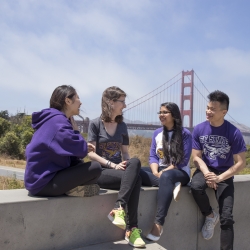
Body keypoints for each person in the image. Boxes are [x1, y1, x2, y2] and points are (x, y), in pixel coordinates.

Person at [87, 86, 145, 248]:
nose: (125, 106)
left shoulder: (122, 126)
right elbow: (91, 154)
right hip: (102, 172)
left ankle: (119, 208)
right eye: (122, 101)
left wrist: (126, 164)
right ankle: (132, 229)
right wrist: (113, 165)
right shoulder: (94, 124)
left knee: (135, 162)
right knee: (137, 180)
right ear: (111, 102)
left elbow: (125, 153)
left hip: (120, 171)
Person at [190, 90, 246, 250]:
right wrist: (207, 173)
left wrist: (219, 179)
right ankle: (209, 215)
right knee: (195, 187)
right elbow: (196, 157)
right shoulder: (199, 129)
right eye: (207, 108)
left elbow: (241, 163)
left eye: (212, 109)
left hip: (224, 173)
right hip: (205, 169)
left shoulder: (233, 132)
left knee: (227, 218)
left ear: (224, 112)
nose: (208, 111)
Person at [25, 85, 102, 197]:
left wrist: (82, 147)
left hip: (39, 180)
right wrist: (76, 132)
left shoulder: (53, 119)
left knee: (80, 165)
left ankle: (73, 189)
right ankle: (72, 189)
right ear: (68, 100)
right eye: (78, 98)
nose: (81, 103)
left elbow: (73, 155)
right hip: (43, 184)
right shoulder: (58, 122)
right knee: (95, 168)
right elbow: (80, 150)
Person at [139, 102, 192, 241]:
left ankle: (158, 224)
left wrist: (164, 173)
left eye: (165, 112)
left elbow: (183, 160)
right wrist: (156, 171)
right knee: (135, 170)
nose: (161, 115)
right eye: (160, 112)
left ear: (174, 115)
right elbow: (153, 156)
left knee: (167, 176)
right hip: (162, 171)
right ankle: (169, 185)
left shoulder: (185, 134)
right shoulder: (157, 133)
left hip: (180, 172)